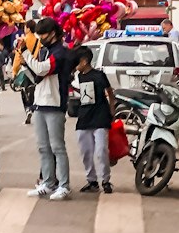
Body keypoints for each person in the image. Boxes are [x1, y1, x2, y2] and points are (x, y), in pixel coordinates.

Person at [21, 17, 73, 201]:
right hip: (40, 103)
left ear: (53, 33)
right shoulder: (45, 51)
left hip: (55, 103)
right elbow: (37, 75)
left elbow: (43, 69)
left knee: (57, 147)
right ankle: (49, 182)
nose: (41, 37)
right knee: (43, 147)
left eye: (43, 33)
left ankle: (64, 185)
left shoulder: (60, 53)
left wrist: (25, 54)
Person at [72, 45, 115, 194]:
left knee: (101, 150)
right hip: (84, 118)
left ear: (84, 61)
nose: (75, 66)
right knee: (86, 151)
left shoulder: (99, 75)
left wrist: (112, 111)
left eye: (76, 62)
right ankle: (91, 180)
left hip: (100, 116)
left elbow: (110, 92)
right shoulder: (79, 76)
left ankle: (106, 180)